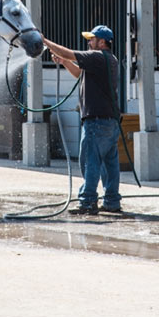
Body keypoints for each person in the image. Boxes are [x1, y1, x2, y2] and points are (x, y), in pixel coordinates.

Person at [43, 25, 121, 215]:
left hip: (96, 122)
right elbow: (79, 73)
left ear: (102, 42)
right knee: (109, 164)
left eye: (92, 39)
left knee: (90, 161)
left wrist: (44, 41)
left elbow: (69, 53)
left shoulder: (97, 57)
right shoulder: (108, 60)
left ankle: (87, 201)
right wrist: (64, 62)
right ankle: (111, 201)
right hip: (110, 121)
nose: (88, 42)